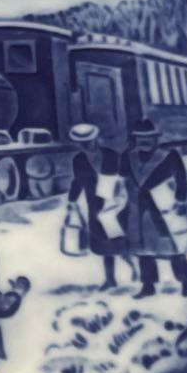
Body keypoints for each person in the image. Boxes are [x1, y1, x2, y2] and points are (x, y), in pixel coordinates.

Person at [121, 119, 187, 299]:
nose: (144, 141)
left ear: (156, 138)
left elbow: (181, 179)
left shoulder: (169, 156)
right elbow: (123, 178)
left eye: (149, 137)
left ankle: (186, 283)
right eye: (140, 138)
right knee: (143, 249)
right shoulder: (128, 157)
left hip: (161, 208)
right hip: (138, 209)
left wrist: (180, 201)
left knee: (172, 246)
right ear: (135, 139)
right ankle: (148, 286)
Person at [65, 123, 130, 289]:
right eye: (82, 143)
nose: (85, 145)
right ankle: (110, 279)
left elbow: (125, 175)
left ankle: (134, 270)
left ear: (96, 139)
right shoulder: (79, 160)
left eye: (88, 141)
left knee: (120, 238)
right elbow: (78, 181)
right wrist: (72, 200)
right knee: (104, 243)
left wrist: (121, 192)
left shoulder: (111, 155)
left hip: (115, 203)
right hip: (95, 205)